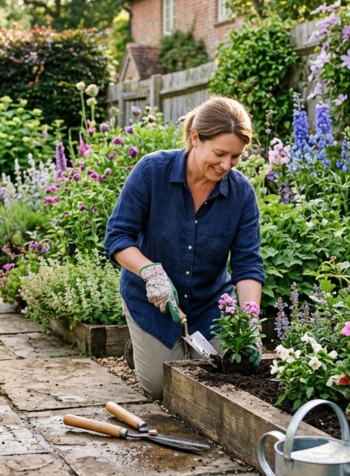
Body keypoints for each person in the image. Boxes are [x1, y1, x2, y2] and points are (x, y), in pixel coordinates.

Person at [104, 96, 265, 400]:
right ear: (195, 138)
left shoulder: (241, 193)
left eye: (236, 157)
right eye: (219, 153)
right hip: (151, 299)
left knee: (230, 374)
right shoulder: (152, 171)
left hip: (210, 303)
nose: (226, 165)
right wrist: (150, 272)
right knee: (162, 389)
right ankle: (143, 345)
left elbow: (247, 264)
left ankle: (174, 345)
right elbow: (117, 237)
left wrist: (251, 323)